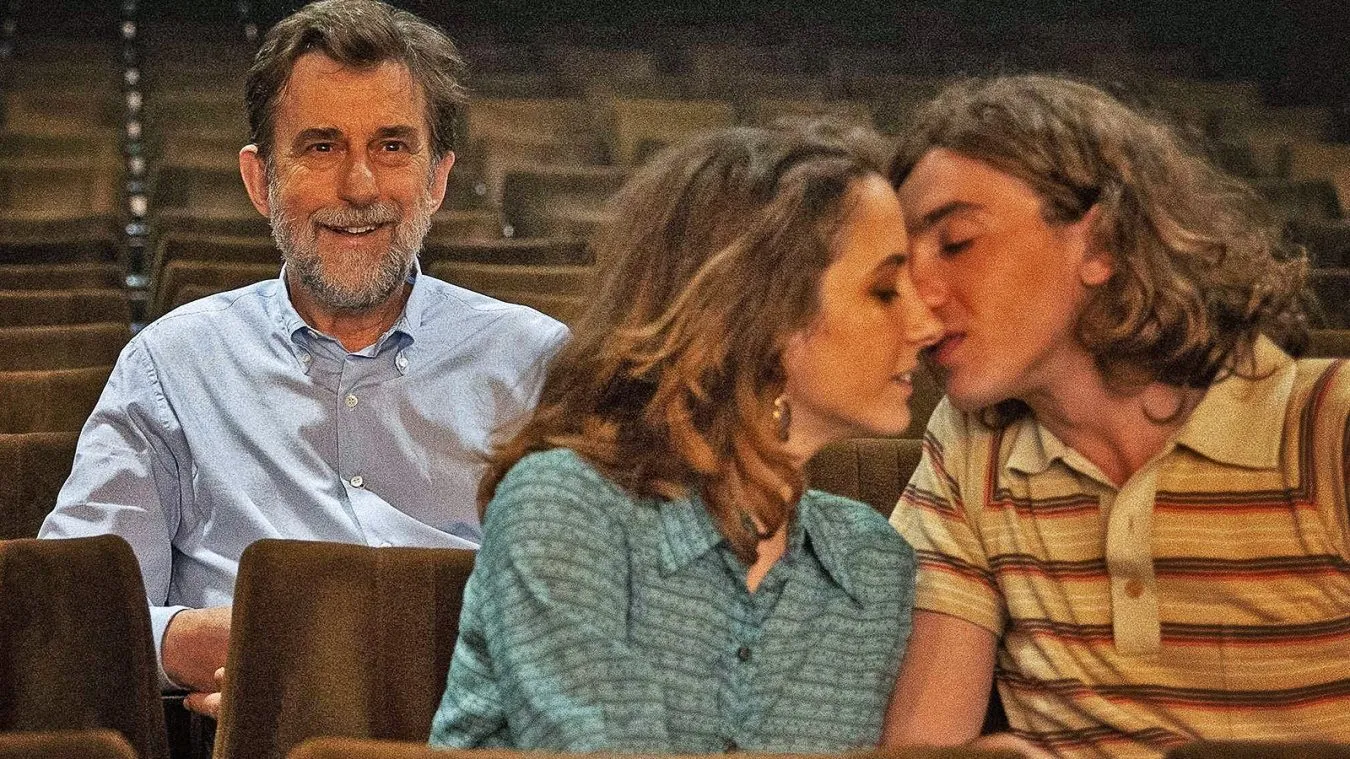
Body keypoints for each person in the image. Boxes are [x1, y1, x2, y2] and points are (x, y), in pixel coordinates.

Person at [39, 0, 567, 717]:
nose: (360, 187)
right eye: (321, 147)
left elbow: (601, 616)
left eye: (392, 147)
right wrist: (186, 643)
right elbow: (68, 610)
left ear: (438, 179)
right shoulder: (169, 367)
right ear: (261, 181)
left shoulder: (539, 365)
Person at [428, 123, 942, 752]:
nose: (925, 325)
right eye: (884, 290)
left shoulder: (870, 562)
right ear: (764, 311)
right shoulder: (562, 505)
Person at [883, 74, 1350, 759]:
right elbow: (926, 744)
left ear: (1101, 244)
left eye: (956, 243)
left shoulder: (1328, 424)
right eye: (899, 266)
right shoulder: (969, 447)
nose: (915, 296)